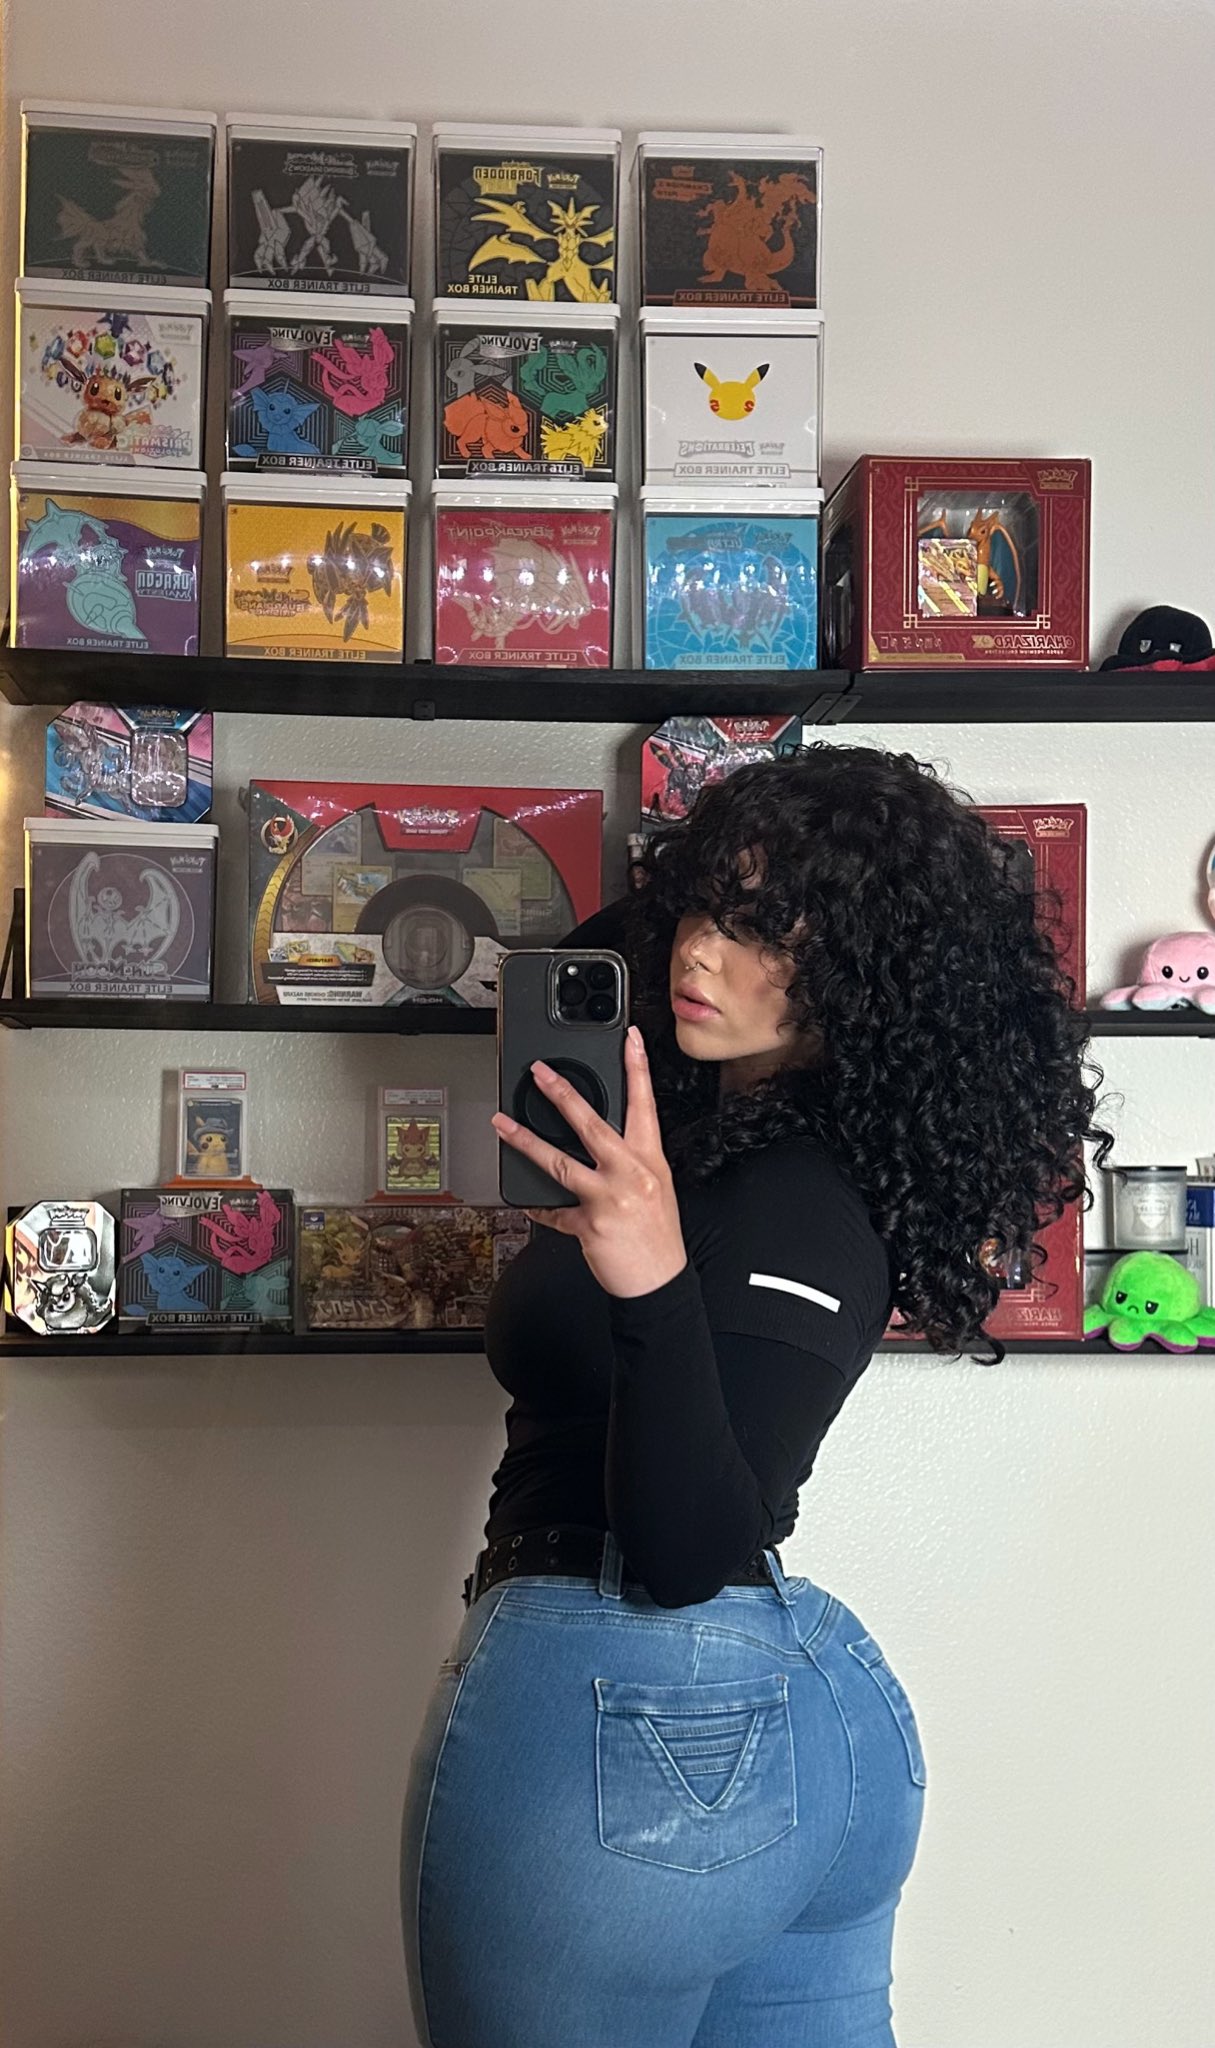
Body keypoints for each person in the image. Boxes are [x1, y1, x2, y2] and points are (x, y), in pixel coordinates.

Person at [400, 744, 1109, 2048]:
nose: (702, 954)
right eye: (707, 908)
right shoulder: (701, 1156)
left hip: (633, 1704)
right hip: (748, 1726)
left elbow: (688, 1551)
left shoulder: (803, 1204)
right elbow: (622, 949)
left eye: (768, 930)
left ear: (871, 972)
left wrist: (650, 1277)